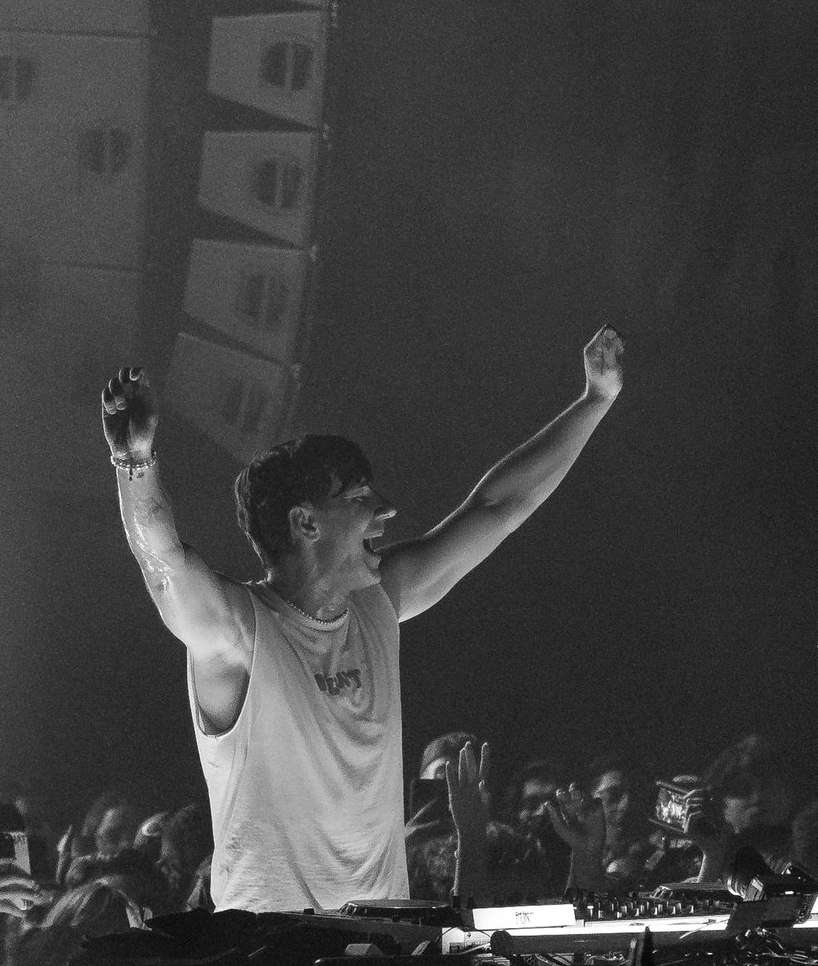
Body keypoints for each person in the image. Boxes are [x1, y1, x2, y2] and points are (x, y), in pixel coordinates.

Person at [96, 333, 627, 914]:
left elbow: (498, 508)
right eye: (359, 496)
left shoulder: (380, 604)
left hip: (379, 949)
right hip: (271, 957)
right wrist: (134, 461)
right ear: (306, 523)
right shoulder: (240, 632)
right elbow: (163, 562)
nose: (387, 510)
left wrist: (594, 401)